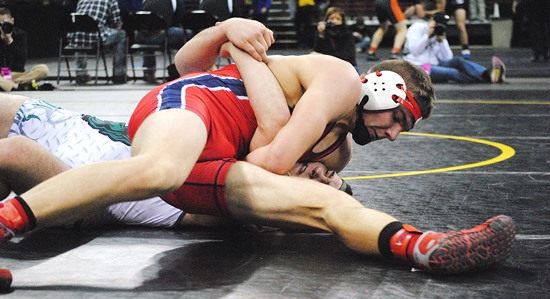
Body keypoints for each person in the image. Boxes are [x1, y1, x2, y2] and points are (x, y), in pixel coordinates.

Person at [0, 18, 514, 280]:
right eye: (398, 119)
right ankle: (8, 220)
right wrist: (229, 37)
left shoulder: (338, 151)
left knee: (336, 203)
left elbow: (268, 159)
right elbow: (265, 152)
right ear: (379, 89)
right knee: (158, 168)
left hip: (220, 160)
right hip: (197, 107)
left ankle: (424, 247)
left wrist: (297, 185)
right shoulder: (337, 79)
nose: (394, 135)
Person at [0, 93, 349, 228]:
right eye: (327, 171)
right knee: (8, 104)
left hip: (75, 177)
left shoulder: (242, 195)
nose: (320, 170)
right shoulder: (259, 142)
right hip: (71, 126)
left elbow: (283, 213)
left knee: (13, 152)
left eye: (321, 182)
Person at [404, 12, 506, 83]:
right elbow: (415, 50)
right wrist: (427, 35)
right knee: (452, 72)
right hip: (419, 67)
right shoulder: (417, 27)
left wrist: (441, 40)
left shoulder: (439, 34)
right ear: (432, 21)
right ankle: (488, 79)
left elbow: (448, 58)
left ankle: (486, 74)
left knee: (458, 61)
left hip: (435, 64)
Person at [70, 0, 128, 84]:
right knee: (122, 34)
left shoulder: (81, 1)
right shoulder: (111, 1)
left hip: (75, 39)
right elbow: (116, 24)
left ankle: (81, 73)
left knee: (81, 34)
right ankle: (119, 74)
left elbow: (80, 20)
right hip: (96, 39)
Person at [133, 0, 187, 83]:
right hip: (160, 36)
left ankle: (148, 71)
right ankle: (181, 70)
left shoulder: (145, 1)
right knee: (187, 33)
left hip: (140, 37)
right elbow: (181, 18)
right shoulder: (175, 1)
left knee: (148, 31)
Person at [0, 7, 49, 92]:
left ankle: (10, 85)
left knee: (43, 69)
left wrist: (9, 41)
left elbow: (22, 57)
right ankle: (18, 86)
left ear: (12, 21)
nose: (2, 27)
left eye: (5, 23)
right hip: (1, 74)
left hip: (17, 74)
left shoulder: (20, 34)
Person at [313, 7, 358, 71]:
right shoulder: (322, 33)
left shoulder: (347, 34)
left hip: (346, 66)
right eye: (331, 18)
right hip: (327, 65)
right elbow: (317, 51)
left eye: (338, 19)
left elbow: (347, 56)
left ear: (342, 21)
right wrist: (321, 35)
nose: (334, 21)